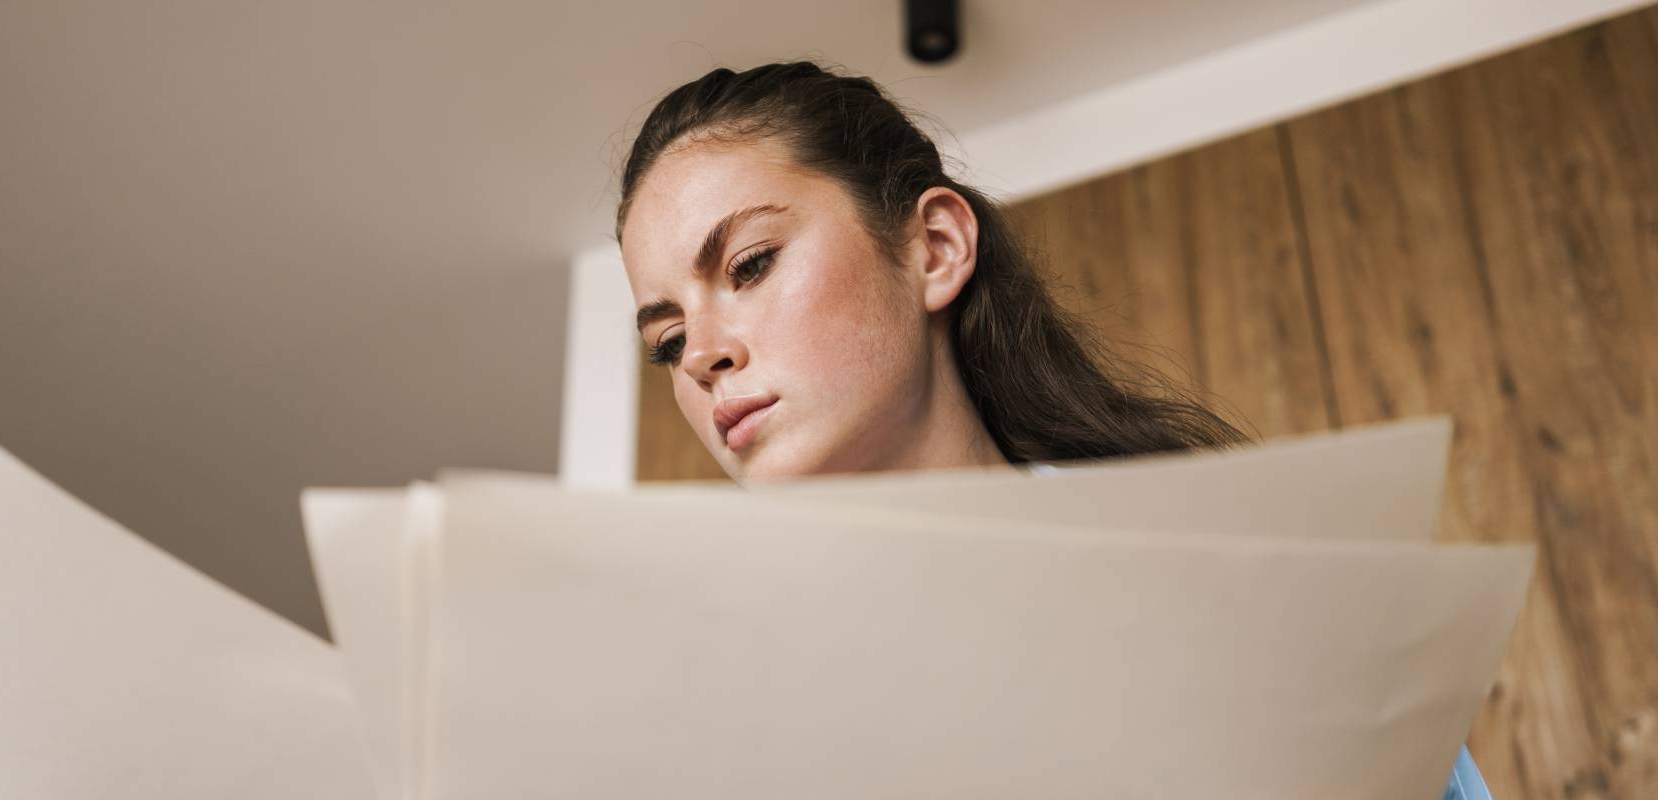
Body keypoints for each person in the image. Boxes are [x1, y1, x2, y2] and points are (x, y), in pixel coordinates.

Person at [614, 60, 1488, 799]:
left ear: (937, 248)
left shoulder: (1245, 583)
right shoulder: (723, 725)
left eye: (751, 265)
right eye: (669, 341)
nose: (702, 357)